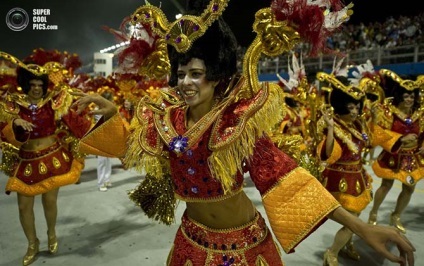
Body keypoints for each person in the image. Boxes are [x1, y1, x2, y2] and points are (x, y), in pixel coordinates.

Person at [72, 1, 415, 265]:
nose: (186, 83)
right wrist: (114, 113)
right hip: (190, 240)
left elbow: (288, 181)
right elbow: (130, 148)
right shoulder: (166, 119)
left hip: (245, 243)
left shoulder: (237, 123)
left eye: (196, 73)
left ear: (217, 74)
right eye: (181, 73)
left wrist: (362, 227)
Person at [0, 60, 92, 265]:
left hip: (52, 157)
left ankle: (51, 233)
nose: (36, 89)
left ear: (44, 85)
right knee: (24, 207)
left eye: (40, 85)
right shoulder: (13, 104)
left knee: (49, 202)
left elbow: (77, 123)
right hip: (26, 160)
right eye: (32, 85)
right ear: (26, 84)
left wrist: (99, 130)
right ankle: (32, 244)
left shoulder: (53, 102)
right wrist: (15, 122)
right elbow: (2, 126)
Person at [316, 72, 402, 265]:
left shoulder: (358, 124)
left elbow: (371, 140)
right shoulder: (335, 125)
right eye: (350, 107)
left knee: (356, 216)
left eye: (356, 106)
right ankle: (331, 253)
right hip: (340, 179)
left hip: (358, 177)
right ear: (341, 107)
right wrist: (330, 129)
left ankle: (347, 245)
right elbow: (329, 153)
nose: (355, 111)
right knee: (351, 220)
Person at [368, 69, 424, 234]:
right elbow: (378, 133)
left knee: (409, 188)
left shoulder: (419, 114)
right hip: (393, 155)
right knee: (386, 185)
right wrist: (400, 139)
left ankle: (396, 215)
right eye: (406, 96)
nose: (409, 100)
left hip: (412, 157)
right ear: (400, 96)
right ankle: (374, 212)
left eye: (412, 96)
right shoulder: (388, 112)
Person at [95, 91, 115, 191]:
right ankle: (101, 183)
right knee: (102, 161)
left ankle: (107, 179)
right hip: (100, 139)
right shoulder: (97, 111)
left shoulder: (111, 111)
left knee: (108, 160)